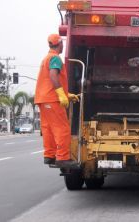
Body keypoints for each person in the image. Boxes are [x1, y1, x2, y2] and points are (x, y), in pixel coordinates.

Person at [34, 34, 79, 167]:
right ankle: (63, 158)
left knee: (47, 128)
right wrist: (60, 94)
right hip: (52, 99)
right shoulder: (55, 58)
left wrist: (67, 94)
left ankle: (49, 155)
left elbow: (47, 81)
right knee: (62, 128)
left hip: (43, 99)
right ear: (60, 44)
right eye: (62, 43)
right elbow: (53, 76)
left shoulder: (46, 58)